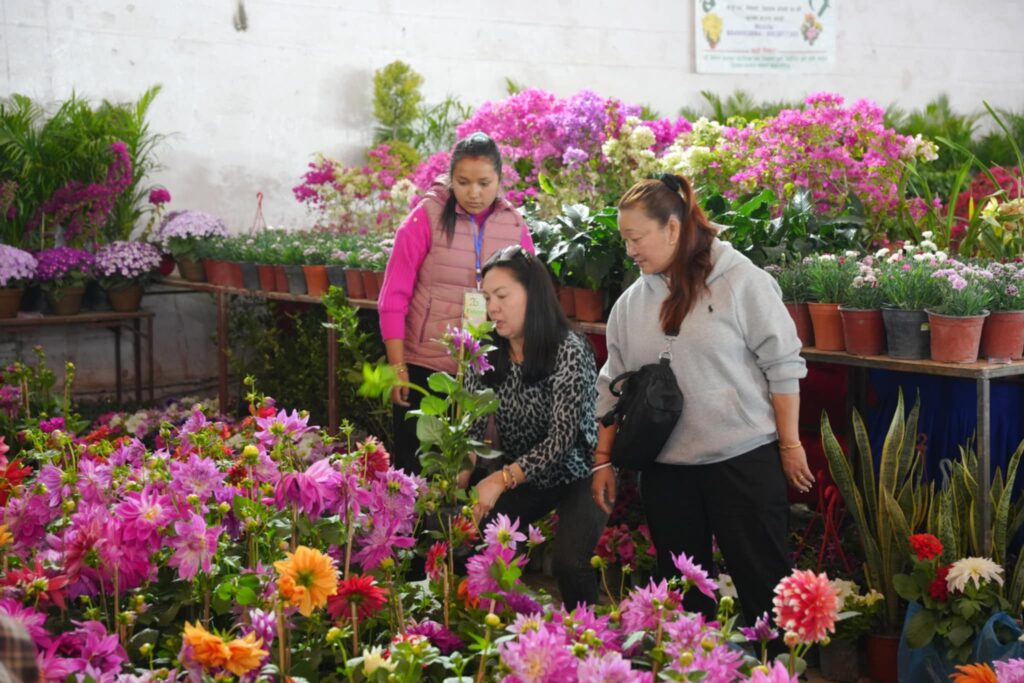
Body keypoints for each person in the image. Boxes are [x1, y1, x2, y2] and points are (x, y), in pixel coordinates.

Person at [591, 174, 809, 625]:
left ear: (672, 228)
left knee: (766, 594)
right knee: (683, 603)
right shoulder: (630, 305)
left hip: (742, 462)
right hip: (667, 472)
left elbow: (784, 365)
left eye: (636, 238)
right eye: (624, 239)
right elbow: (609, 385)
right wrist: (602, 460)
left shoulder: (742, 282)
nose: (629, 250)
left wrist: (789, 444)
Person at [378, 132, 535, 474]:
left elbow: (531, 301)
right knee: (415, 475)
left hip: (486, 375)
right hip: (425, 367)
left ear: (499, 179)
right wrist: (398, 367)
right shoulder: (426, 218)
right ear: (451, 178)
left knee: (474, 477)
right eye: (463, 182)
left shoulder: (515, 226)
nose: (474, 193)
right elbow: (393, 297)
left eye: (484, 182)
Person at [464, 245, 607, 608]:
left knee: (570, 564)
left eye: (502, 296)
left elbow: (562, 440)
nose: (492, 307)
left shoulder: (569, 349)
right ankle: (496, 635)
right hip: (527, 476)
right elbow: (472, 425)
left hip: (578, 472)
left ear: (533, 295)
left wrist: (500, 479)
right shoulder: (485, 350)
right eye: (486, 297)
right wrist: (460, 478)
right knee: (477, 539)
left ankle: (589, 640)